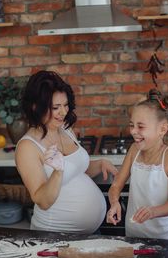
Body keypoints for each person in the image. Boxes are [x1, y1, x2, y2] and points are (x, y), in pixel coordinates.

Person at [15, 70, 118, 234]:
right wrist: (57, 172)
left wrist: (99, 164)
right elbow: (42, 200)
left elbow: (76, 171)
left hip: (88, 233)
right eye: (55, 107)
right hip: (54, 234)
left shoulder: (65, 129)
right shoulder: (27, 147)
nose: (63, 112)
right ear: (35, 107)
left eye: (65, 105)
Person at [107, 89, 168, 240]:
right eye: (132, 125)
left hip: (164, 239)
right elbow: (116, 186)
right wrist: (114, 202)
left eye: (140, 127)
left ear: (162, 129)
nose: (133, 131)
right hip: (132, 236)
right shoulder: (134, 150)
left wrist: (153, 212)